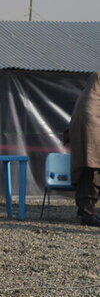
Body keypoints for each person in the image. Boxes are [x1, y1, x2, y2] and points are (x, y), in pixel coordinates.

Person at [65, 71, 100, 227]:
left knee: (88, 174)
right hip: (91, 142)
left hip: (86, 143)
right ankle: (87, 214)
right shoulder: (91, 105)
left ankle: (85, 211)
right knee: (91, 174)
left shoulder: (87, 99)